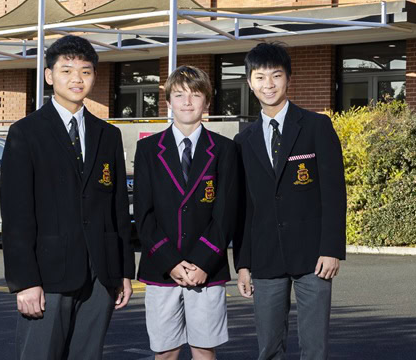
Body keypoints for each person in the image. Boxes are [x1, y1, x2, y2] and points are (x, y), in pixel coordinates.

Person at [1, 35, 134, 359]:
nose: (77, 79)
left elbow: (117, 208)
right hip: (47, 276)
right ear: (49, 76)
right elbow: (17, 214)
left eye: (85, 71)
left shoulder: (108, 135)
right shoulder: (26, 133)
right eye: (67, 71)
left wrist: (123, 271)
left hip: (100, 276)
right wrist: (25, 281)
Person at [233, 42, 347, 360]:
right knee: (269, 347)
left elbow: (334, 194)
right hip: (265, 257)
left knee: (314, 348)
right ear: (250, 82)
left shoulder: (316, 127)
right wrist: (243, 264)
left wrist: (331, 249)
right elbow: (245, 208)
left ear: (288, 79)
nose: (268, 84)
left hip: (314, 257)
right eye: (260, 77)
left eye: (276, 75)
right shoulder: (243, 141)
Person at [133, 65, 240, 360]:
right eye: (179, 95)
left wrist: (202, 262)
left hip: (207, 267)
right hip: (161, 266)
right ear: (168, 101)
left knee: (204, 351)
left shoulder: (224, 149)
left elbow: (226, 214)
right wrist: (171, 262)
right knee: (165, 352)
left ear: (207, 102)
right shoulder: (148, 149)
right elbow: (143, 214)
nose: (187, 102)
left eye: (195, 94)